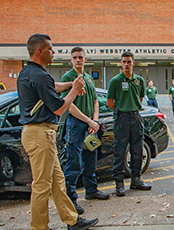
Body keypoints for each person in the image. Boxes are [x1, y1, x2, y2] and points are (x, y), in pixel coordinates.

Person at [17, 34, 98, 230]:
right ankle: (39, 227)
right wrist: (75, 89)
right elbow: (60, 108)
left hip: (40, 134)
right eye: (50, 49)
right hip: (40, 134)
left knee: (57, 181)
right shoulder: (39, 75)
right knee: (42, 186)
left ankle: (72, 220)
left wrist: (71, 85)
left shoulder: (28, 72)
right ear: (39, 51)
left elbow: (53, 87)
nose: (53, 52)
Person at [61, 46, 110, 215]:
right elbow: (69, 105)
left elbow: (96, 101)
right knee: (74, 162)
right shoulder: (68, 78)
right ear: (71, 60)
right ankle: (71, 200)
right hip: (76, 124)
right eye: (74, 57)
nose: (78, 60)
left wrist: (94, 122)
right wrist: (89, 120)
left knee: (91, 158)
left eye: (80, 57)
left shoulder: (89, 79)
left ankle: (91, 191)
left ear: (85, 59)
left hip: (91, 125)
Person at [106, 51, 152, 197]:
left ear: (133, 63)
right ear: (121, 63)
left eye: (129, 61)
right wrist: (123, 110)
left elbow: (140, 98)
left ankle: (136, 179)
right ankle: (119, 184)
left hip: (136, 117)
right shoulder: (115, 81)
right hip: (122, 119)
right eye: (124, 61)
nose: (126, 64)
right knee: (120, 151)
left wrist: (132, 108)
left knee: (137, 150)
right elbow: (109, 103)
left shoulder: (139, 80)